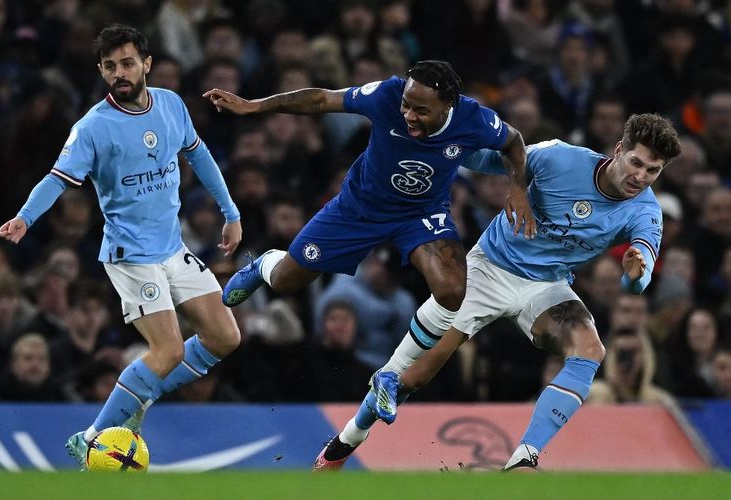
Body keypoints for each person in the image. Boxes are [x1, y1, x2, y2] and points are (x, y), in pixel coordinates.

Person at [203, 59, 533, 467]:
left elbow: (514, 142)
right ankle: (263, 265)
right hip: (358, 209)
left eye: (420, 110)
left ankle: (390, 375)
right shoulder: (388, 95)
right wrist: (256, 106)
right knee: (288, 280)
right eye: (407, 106)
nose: (408, 115)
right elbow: (322, 99)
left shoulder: (475, 119)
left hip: (420, 215)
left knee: (452, 290)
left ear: (448, 104)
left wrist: (517, 188)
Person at [348, 113, 681, 471]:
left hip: (546, 286)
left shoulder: (647, 210)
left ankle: (526, 456)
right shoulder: (560, 158)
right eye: (636, 163)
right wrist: (442, 146)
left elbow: (638, 277)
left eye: (653, 171)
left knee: (590, 349)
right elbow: (493, 158)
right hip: (490, 268)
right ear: (619, 150)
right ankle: (347, 440)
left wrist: (635, 274)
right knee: (414, 377)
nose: (640, 177)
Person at [0, 25, 242, 469]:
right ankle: (90, 439)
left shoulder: (171, 105)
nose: (119, 73)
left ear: (146, 64)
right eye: (110, 66)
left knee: (225, 336)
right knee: (167, 351)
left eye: (127, 63)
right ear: (101, 71)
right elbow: (57, 178)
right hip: (130, 255)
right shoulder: (93, 127)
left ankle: (138, 394)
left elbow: (199, 155)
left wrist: (231, 212)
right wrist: (25, 218)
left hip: (172, 247)